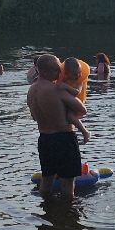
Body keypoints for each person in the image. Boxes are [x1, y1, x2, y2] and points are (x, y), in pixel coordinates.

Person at [27, 54, 87, 200]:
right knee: (68, 183)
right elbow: (82, 110)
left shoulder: (31, 91)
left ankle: (47, 212)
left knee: (47, 180)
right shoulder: (57, 90)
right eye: (57, 70)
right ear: (46, 72)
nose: (60, 73)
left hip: (45, 139)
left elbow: (34, 117)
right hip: (64, 138)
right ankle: (68, 216)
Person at [59, 57, 92, 144]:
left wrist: (65, 86)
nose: (78, 76)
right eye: (74, 74)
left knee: (70, 115)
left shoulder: (81, 78)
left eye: (79, 73)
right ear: (66, 73)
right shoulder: (62, 77)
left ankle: (85, 132)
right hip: (66, 100)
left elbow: (76, 92)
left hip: (76, 100)